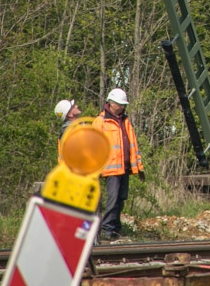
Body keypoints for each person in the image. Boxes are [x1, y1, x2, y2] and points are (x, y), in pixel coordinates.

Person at [93, 87, 145, 240]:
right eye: (120, 104)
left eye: (124, 104)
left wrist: (139, 168)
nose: (123, 107)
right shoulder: (100, 121)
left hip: (124, 168)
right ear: (111, 103)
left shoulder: (125, 121)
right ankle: (107, 229)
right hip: (111, 169)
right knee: (113, 198)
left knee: (121, 199)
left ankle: (115, 229)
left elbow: (133, 144)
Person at [54, 99, 82, 165]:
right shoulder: (70, 130)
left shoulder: (75, 127)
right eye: (73, 106)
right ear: (69, 114)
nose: (76, 106)